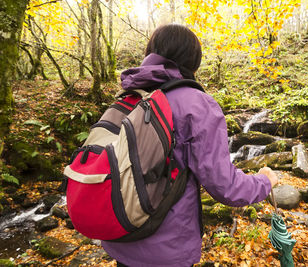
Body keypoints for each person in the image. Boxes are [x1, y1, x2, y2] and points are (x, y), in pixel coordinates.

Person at [101, 24, 279, 267]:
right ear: (194, 60)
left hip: (120, 235)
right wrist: (264, 181)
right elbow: (225, 186)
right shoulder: (197, 104)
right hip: (166, 250)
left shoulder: (130, 96)